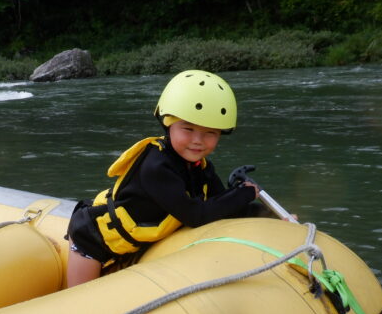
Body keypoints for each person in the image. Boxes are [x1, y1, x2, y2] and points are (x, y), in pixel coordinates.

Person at [66, 69, 261, 287]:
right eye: (188, 128)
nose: (198, 140)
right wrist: (244, 193)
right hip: (92, 241)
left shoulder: (201, 167)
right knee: (82, 302)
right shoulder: (156, 167)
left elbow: (222, 204)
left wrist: (265, 213)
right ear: (168, 124)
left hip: (134, 243)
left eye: (210, 133)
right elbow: (196, 215)